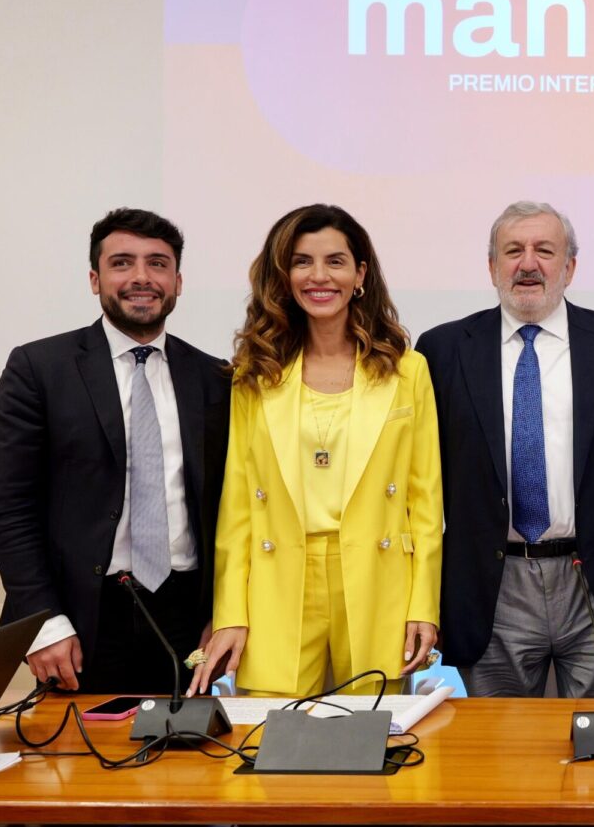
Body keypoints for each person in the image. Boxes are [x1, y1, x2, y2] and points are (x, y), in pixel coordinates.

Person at [415, 201, 594, 697]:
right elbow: (419, 479)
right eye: (513, 251)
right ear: (492, 267)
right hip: (492, 586)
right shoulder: (442, 351)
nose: (528, 264)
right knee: (503, 743)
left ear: (569, 267)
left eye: (544, 251)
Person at [188, 204, 442, 698]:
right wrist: (231, 613)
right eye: (302, 262)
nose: (319, 276)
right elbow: (237, 508)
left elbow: (425, 504)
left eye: (335, 261)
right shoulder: (255, 373)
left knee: (373, 733)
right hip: (277, 580)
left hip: (378, 580)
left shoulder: (407, 370)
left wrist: (422, 607)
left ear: (360, 275)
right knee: (268, 733)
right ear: (284, 277)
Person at [0, 208, 229, 694]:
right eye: (122, 263)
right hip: (81, 621)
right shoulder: (39, 369)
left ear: (178, 282)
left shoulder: (215, 377)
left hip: (186, 619)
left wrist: (225, 614)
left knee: (189, 744)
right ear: (95, 280)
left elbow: (231, 506)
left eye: (157, 263)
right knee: (77, 744)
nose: (141, 277)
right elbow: (10, 508)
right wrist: (44, 621)